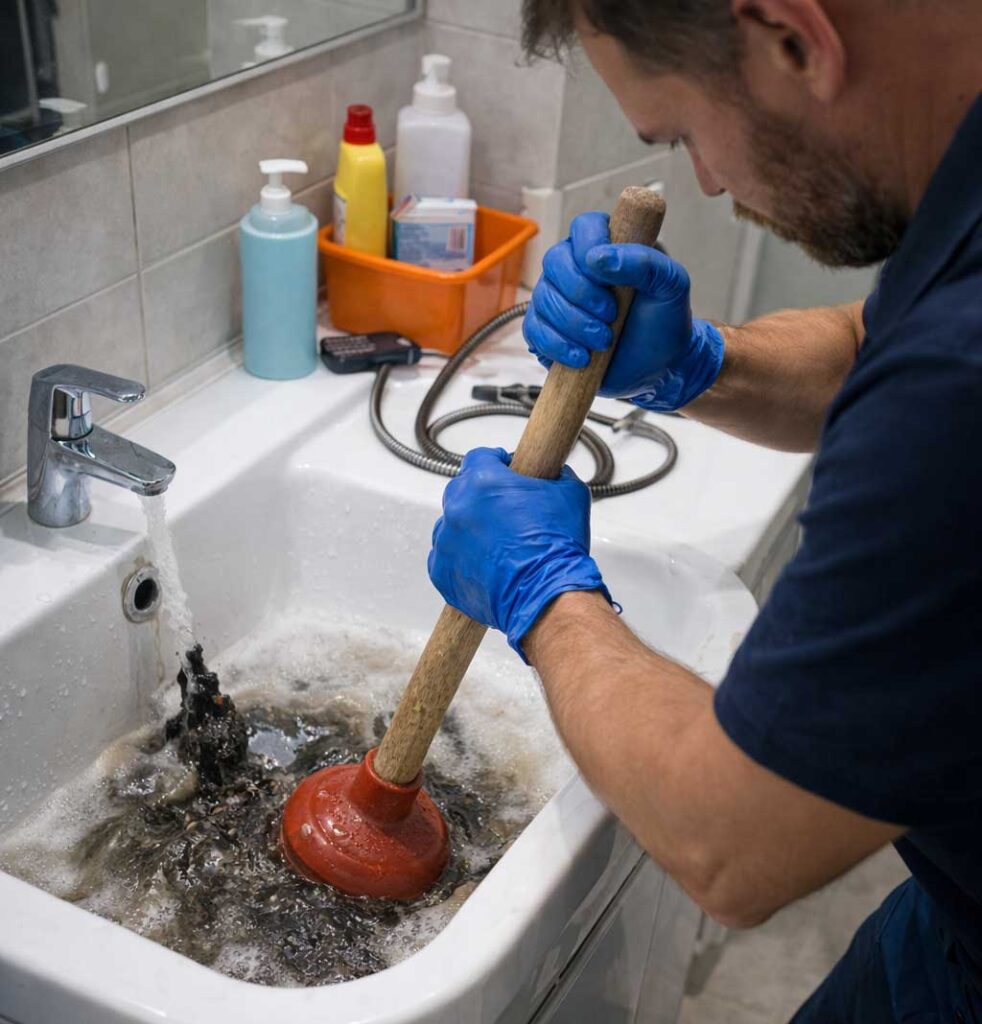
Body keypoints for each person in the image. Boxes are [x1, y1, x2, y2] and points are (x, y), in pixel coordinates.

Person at [425, 1, 982, 1020]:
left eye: (683, 133)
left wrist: (541, 593)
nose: (711, 183)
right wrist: (698, 362)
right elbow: (875, 345)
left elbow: (729, 843)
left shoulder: (959, 385)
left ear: (792, 37)